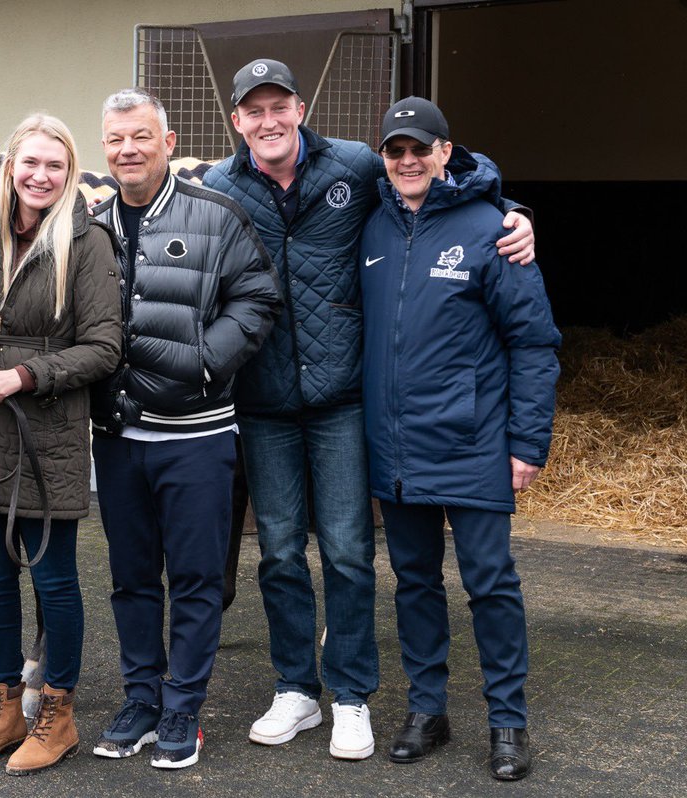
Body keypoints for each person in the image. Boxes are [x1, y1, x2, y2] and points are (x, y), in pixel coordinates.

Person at [201, 59, 536, 760]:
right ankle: (297, 690)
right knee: (283, 555)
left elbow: (451, 178)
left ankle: (352, 695)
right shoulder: (219, 187)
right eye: (252, 110)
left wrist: (514, 210)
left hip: (342, 404)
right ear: (236, 121)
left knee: (353, 554)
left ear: (300, 107)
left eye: (279, 106)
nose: (268, 121)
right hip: (264, 406)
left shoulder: (354, 167)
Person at [360, 96, 559, 781]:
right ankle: (427, 709)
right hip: (395, 445)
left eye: (422, 148)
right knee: (413, 581)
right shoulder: (370, 226)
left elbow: (534, 343)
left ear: (448, 151)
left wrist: (528, 443)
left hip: (473, 442)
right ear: (383, 159)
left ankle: (508, 722)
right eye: (396, 150)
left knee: (490, 583)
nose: (408, 161)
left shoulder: (492, 230)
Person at [0, 114, 121, 775]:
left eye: (55, 166)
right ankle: (5, 709)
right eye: (30, 162)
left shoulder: (86, 241)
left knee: (55, 578)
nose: (41, 175)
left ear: (69, 175)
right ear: (11, 164)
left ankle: (57, 716)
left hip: (48, 430)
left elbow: (104, 346)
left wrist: (28, 372)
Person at [89, 88, 282, 769]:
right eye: (115, 140)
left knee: (196, 580)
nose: (128, 150)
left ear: (168, 143)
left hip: (198, 436)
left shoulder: (216, 214)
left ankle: (182, 709)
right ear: (104, 148)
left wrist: (207, 362)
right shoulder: (91, 226)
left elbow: (259, 294)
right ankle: (141, 697)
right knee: (131, 578)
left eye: (141, 136)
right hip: (117, 439)